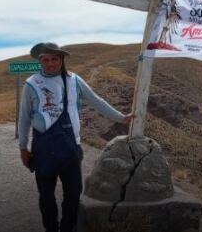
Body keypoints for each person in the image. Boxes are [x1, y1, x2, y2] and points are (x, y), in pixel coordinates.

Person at [18, 42, 133, 232]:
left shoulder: (74, 80)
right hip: (43, 149)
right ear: (40, 61)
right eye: (45, 60)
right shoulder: (32, 84)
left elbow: (97, 101)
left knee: (73, 194)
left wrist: (121, 118)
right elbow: (24, 117)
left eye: (54, 59)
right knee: (46, 195)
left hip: (71, 147)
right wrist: (23, 147)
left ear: (62, 59)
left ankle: (66, 228)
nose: (50, 64)